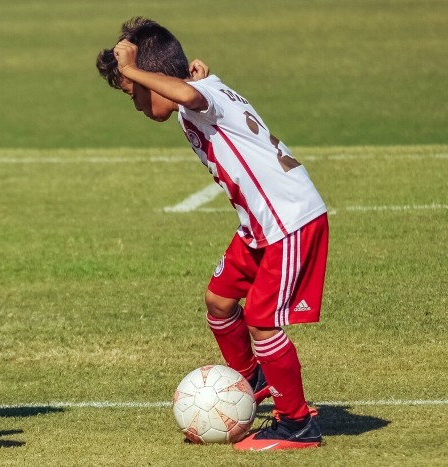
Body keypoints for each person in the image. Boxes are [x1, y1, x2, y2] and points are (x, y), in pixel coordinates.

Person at [96, 18, 328, 451]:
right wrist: (174, 81)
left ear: (157, 79)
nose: (137, 104)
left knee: (262, 322)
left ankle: (296, 424)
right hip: (259, 225)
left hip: (287, 221)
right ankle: (255, 381)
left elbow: (185, 94)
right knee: (219, 300)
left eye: (134, 93)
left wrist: (133, 70)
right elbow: (188, 94)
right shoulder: (201, 96)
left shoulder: (197, 97)